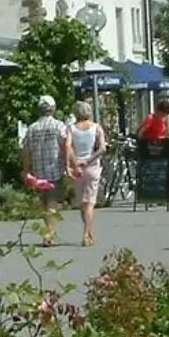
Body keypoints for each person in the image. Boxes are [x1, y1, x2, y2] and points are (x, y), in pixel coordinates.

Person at [19, 95, 70, 247]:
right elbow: (65, 145)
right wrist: (68, 164)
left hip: (38, 170)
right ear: (53, 109)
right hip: (55, 168)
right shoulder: (59, 126)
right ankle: (49, 234)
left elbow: (26, 150)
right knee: (52, 204)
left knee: (44, 203)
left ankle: (49, 232)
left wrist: (26, 169)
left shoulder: (32, 128)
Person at [66, 101, 107, 248]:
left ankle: (88, 232)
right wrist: (89, 160)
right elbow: (102, 148)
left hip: (77, 168)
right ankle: (86, 234)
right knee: (90, 203)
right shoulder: (96, 128)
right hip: (92, 167)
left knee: (82, 203)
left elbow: (68, 146)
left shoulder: (71, 128)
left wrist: (72, 164)